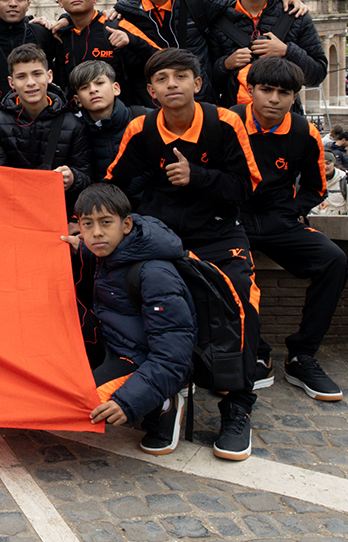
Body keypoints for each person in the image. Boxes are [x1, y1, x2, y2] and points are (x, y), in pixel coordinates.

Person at [106, 47, 262, 461]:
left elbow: (248, 188)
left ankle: (237, 403)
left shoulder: (225, 122)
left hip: (217, 234)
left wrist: (199, 177)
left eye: (180, 76)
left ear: (198, 83)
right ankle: (164, 397)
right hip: (162, 237)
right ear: (152, 90)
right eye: (161, 79)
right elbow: (115, 186)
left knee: (239, 298)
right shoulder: (141, 128)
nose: (171, 84)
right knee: (142, 301)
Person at [232, 57, 347, 401]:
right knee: (231, 274)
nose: (273, 99)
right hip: (233, 220)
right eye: (266, 90)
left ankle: (301, 355)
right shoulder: (227, 122)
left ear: (294, 96)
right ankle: (256, 352)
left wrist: (290, 211)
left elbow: (315, 188)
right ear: (251, 90)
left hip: (279, 220)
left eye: (284, 92)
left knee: (334, 260)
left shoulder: (304, 132)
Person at [62, 184, 194, 456]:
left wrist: (127, 402)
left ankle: (164, 405)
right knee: (57, 372)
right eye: (88, 225)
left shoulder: (156, 274)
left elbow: (173, 356)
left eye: (105, 222)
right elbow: (104, 251)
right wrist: (80, 248)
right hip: (115, 345)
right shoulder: (106, 252)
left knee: (84, 406)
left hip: (149, 359)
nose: (96, 232)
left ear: (126, 225)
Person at [113, 0, 304, 108]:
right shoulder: (126, 11)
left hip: (199, 100)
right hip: (151, 102)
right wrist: (114, 11)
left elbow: (235, 4)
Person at [209, 0, 327, 108]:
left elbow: (318, 74)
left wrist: (286, 51)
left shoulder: (296, 15)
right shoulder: (218, 20)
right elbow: (207, 78)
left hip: (284, 117)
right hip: (235, 118)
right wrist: (225, 65)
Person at [0, 44, 92, 213]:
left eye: (37, 74)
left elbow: (88, 177)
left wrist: (73, 178)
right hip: (11, 209)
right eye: (21, 76)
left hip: (58, 211)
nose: (31, 83)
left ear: (49, 76)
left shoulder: (73, 125)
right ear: (11, 83)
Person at [49, 0, 132, 98]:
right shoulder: (62, 35)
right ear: (60, 1)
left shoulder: (116, 26)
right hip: (76, 113)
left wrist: (131, 41)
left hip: (118, 111)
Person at [69, 60, 151, 182]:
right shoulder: (75, 131)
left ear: (116, 88)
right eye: (85, 87)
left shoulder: (145, 118)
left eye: (99, 83)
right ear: (77, 100)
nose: (93, 90)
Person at [316, 152, 348, 216]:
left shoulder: (345, 179)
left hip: (340, 221)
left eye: (328, 163)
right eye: (322, 163)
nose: (325, 167)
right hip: (317, 220)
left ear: (334, 163)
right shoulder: (313, 180)